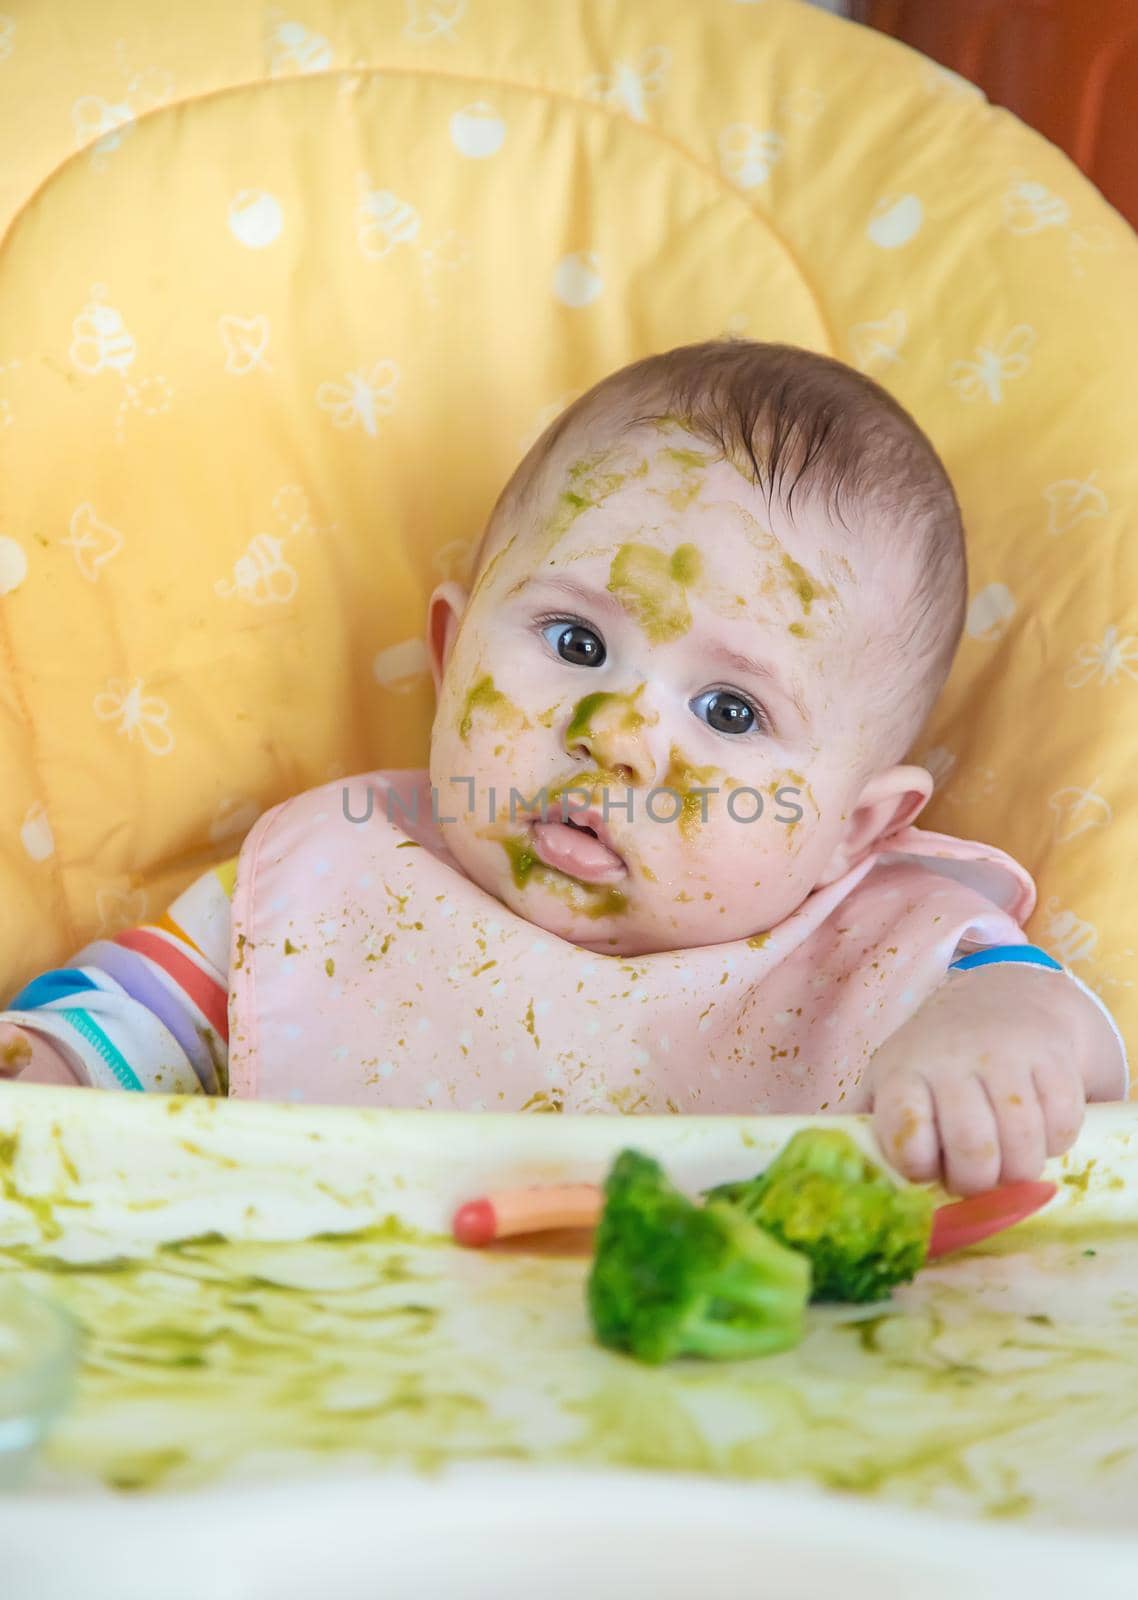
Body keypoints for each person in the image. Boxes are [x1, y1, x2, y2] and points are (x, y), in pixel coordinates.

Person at [0, 341, 1127, 1194]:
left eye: (730, 709)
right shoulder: (331, 879)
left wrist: (997, 1046)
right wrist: (45, 1068)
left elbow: (1052, 1023)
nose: (620, 734)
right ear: (449, 657)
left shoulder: (890, 942)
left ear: (855, 826)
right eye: (578, 645)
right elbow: (122, 1027)